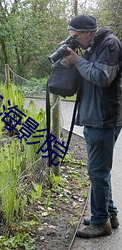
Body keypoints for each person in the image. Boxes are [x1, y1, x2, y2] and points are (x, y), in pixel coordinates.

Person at [64, 15, 122, 238]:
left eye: (76, 37)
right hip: (94, 117)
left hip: (104, 118)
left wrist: (77, 61)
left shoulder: (110, 44)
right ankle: (109, 214)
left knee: (97, 171)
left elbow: (101, 77)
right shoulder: (93, 46)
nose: (75, 41)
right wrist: (74, 60)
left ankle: (100, 223)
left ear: (88, 32)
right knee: (99, 171)